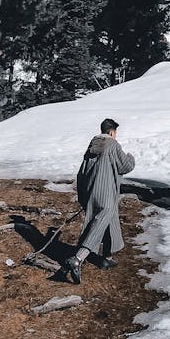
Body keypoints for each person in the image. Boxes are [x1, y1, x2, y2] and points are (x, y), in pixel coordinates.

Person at [57, 118, 135, 284]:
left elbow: (82, 172)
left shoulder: (92, 145)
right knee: (99, 223)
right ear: (112, 132)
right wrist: (131, 157)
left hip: (93, 192)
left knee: (109, 220)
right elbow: (125, 166)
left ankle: (106, 257)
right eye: (116, 133)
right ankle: (77, 259)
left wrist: (84, 196)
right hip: (107, 193)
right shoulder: (113, 145)